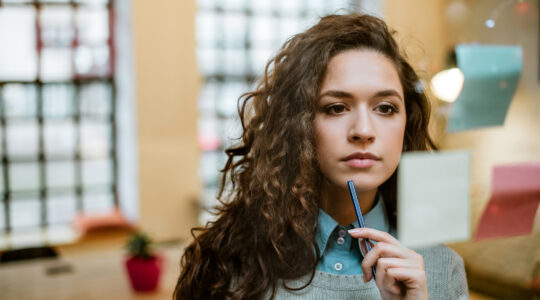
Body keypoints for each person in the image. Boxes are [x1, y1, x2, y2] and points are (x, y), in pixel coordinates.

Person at [174, 13, 468, 300]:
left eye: (385, 108)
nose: (363, 131)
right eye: (336, 108)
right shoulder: (234, 264)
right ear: (299, 124)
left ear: (407, 125)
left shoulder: (441, 270)